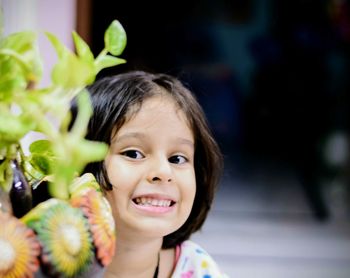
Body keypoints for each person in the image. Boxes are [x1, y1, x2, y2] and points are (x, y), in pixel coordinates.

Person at [76, 70, 227, 277]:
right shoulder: (42, 265)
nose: (164, 172)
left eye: (177, 159)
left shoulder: (198, 268)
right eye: (133, 153)